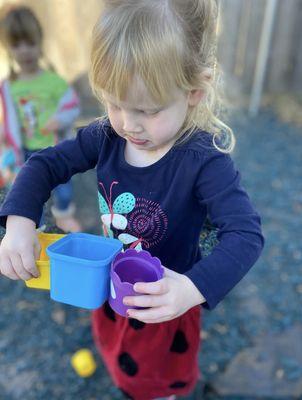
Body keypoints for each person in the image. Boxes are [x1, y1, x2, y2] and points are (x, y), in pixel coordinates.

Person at [0, 1, 264, 399]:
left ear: (193, 92)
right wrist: (20, 220)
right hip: (112, 286)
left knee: (156, 382)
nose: (127, 123)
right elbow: (44, 165)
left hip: (164, 304)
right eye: (113, 102)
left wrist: (191, 289)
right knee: (117, 353)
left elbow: (246, 233)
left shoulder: (202, 162)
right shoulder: (107, 136)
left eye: (146, 109)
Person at [0, 5, 81, 232]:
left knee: (64, 188)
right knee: (29, 188)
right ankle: (34, 225)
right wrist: (8, 146)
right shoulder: (9, 86)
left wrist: (60, 118)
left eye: (30, 43)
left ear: (40, 42)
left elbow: (73, 106)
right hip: (26, 150)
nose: (25, 51)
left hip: (55, 148)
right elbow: (9, 120)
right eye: (17, 45)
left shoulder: (53, 81)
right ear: (8, 49)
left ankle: (64, 214)